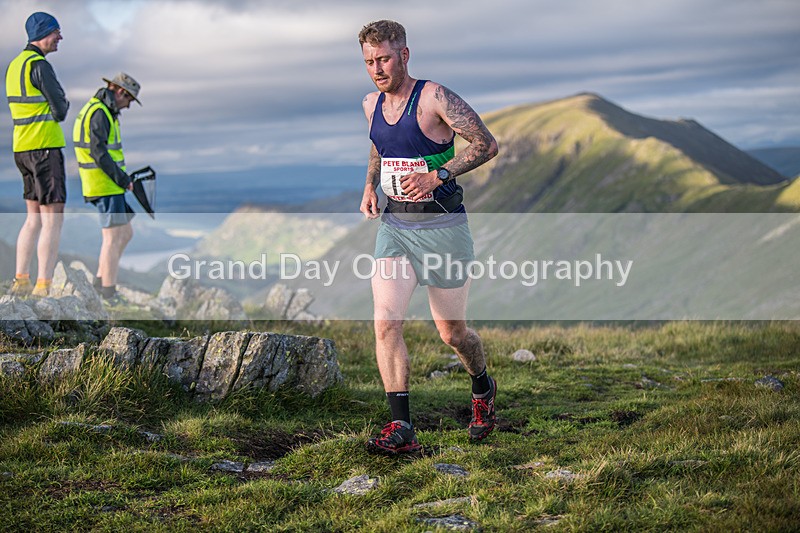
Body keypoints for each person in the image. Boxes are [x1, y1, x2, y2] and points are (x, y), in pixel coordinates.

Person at [358, 20, 499, 455]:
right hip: (397, 227)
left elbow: (485, 144)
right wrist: (369, 185)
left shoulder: (435, 97)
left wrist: (439, 173)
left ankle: (482, 386)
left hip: (444, 229)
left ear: (403, 54)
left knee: (452, 333)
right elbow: (381, 144)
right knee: (386, 322)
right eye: (368, 62)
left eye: (383, 58)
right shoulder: (370, 104)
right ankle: (401, 428)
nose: (377, 69)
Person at [5, 12, 69, 297]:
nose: (60, 37)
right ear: (45, 32)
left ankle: (21, 279)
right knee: (53, 219)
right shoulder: (40, 66)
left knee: (32, 219)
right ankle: (44, 286)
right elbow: (60, 110)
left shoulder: (14, 65)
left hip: (22, 148)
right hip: (45, 149)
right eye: (57, 32)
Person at [72, 72, 142, 303]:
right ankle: (108, 292)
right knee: (113, 238)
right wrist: (122, 179)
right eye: (129, 100)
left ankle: (100, 281)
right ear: (121, 92)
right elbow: (99, 152)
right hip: (104, 184)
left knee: (125, 233)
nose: (129, 106)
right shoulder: (100, 113)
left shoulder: (100, 110)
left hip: (107, 184)